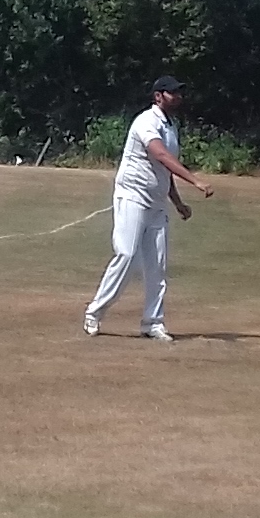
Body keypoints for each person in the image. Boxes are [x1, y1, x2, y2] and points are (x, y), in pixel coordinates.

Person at [84, 74, 212, 342]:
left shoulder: (171, 126)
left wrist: (178, 203)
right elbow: (160, 155)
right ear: (158, 96)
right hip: (133, 195)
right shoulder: (146, 122)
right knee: (127, 254)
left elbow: (165, 170)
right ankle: (94, 313)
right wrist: (196, 181)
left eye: (179, 93)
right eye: (172, 93)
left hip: (156, 201)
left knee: (158, 265)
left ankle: (153, 322)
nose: (178, 97)